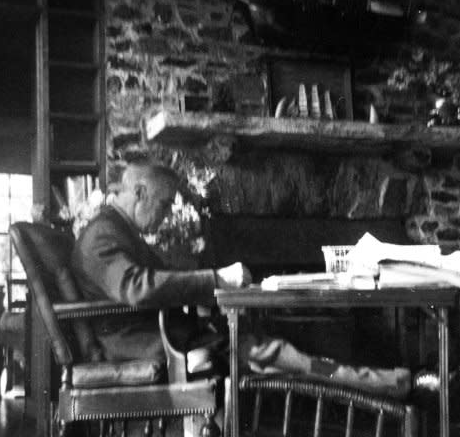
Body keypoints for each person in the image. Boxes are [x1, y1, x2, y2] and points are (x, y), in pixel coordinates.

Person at [71, 163, 410, 397]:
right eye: (162, 206)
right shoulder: (103, 234)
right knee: (275, 350)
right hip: (141, 343)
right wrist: (215, 278)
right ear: (140, 192)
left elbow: (150, 283)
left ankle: (387, 383)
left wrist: (210, 292)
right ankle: (392, 383)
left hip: (162, 333)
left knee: (276, 348)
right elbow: (137, 288)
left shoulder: (115, 230)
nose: (163, 216)